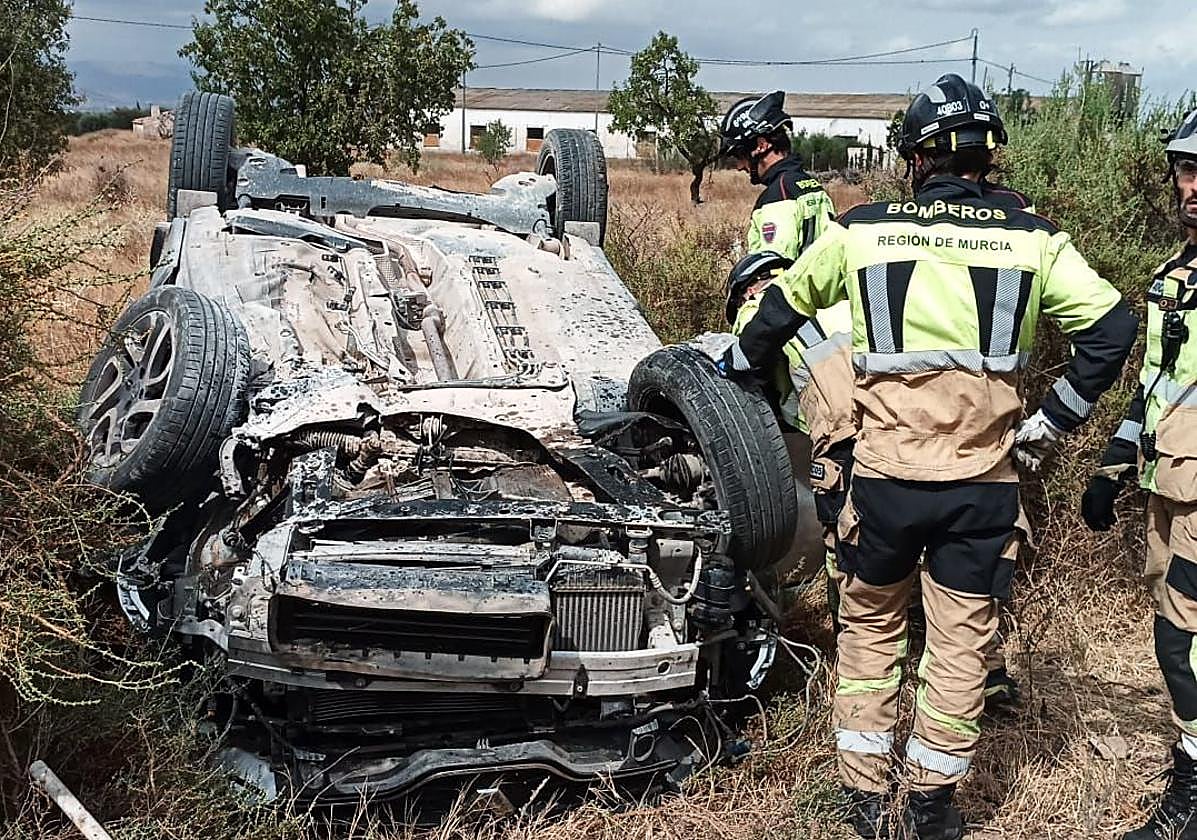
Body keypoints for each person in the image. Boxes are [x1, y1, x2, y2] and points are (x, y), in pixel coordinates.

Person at [719, 73, 1138, 839]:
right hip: (981, 485)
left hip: (884, 480)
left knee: (871, 632)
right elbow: (1111, 329)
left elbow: (778, 305)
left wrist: (740, 367)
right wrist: (1050, 421)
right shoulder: (1032, 239)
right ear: (988, 156)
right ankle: (930, 804)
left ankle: (862, 797)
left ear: (914, 159)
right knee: (958, 644)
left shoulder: (861, 230)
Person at [1081, 108, 1197, 840]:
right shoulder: (1173, 278)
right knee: (1172, 632)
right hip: (1169, 482)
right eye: (1188, 169)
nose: (1195, 186)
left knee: (1186, 644)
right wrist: (1112, 465)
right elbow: (1156, 385)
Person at [719, 90, 836, 259]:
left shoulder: (777, 198)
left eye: (740, 155)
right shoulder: (813, 186)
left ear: (761, 145)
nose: (739, 166)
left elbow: (775, 267)